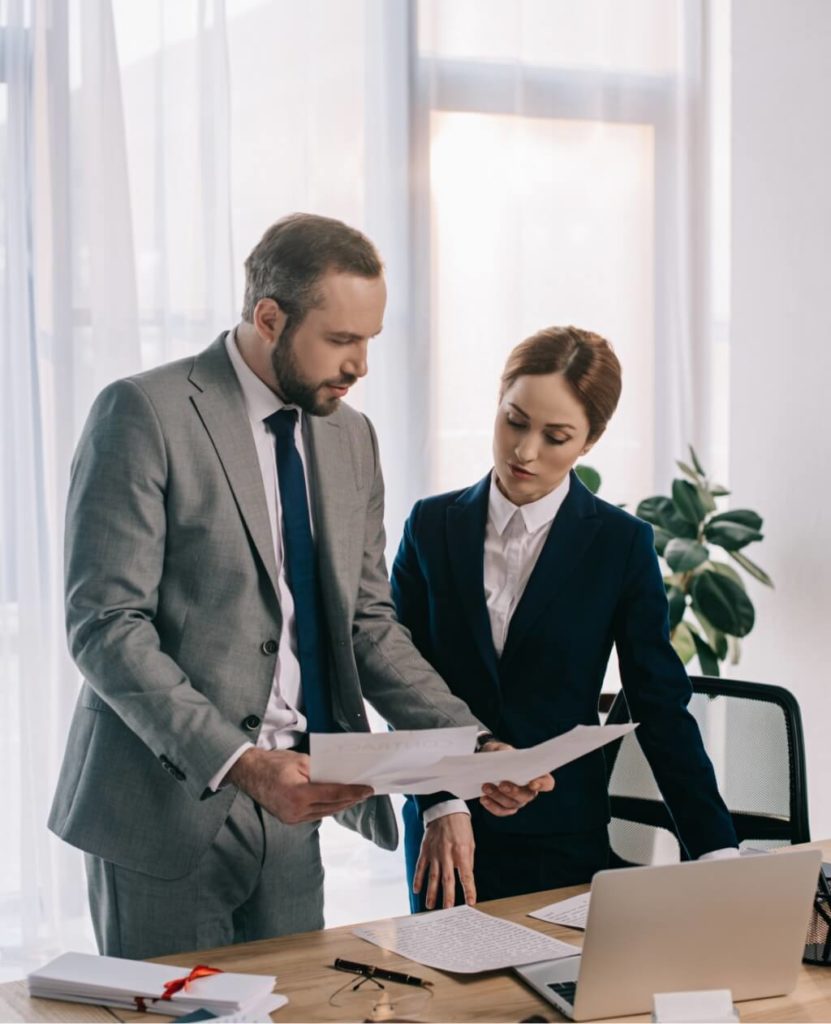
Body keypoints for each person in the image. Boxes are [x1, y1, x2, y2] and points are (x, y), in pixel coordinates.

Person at [48, 213, 552, 959]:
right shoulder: (143, 412)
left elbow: (368, 624)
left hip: (296, 814)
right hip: (163, 809)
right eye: (342, 341)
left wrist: (469, 747)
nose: (360, 366)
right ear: (269, 318)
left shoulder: (352, 437)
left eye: (370, 341)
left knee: (290, 1010)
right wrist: (242, 764)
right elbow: (106, 624)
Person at [392, 326, 739, 912]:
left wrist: (715, 851)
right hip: (448, 828)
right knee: (448, 1003)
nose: (525, 451)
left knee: (565, 998)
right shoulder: (431, 525)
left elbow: (658, 702)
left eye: (556, 437)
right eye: (514, 420)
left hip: (561, 837)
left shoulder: (622, 545)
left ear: (590, 440)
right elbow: (399, 676)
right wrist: (443, 801)